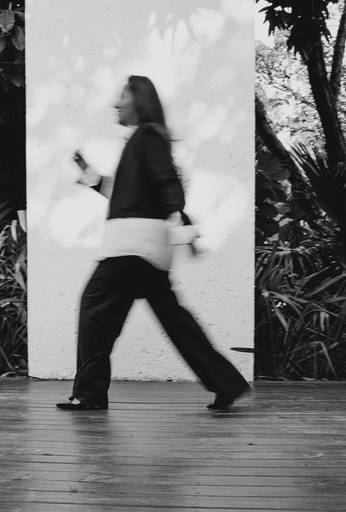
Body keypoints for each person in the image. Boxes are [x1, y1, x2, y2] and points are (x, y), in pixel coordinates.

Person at [56, 75, 250, 411]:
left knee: (94, 312)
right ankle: (227, 384)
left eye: (122, 95)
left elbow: (168, 184)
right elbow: (130, 194)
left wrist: (182, 224)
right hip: (144, 250)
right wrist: (93, 177)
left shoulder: (147, 138)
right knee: (175, 321)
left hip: (130, 249)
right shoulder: (142, 140)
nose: (115, 103)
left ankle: (89, 393)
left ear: (139, 100)